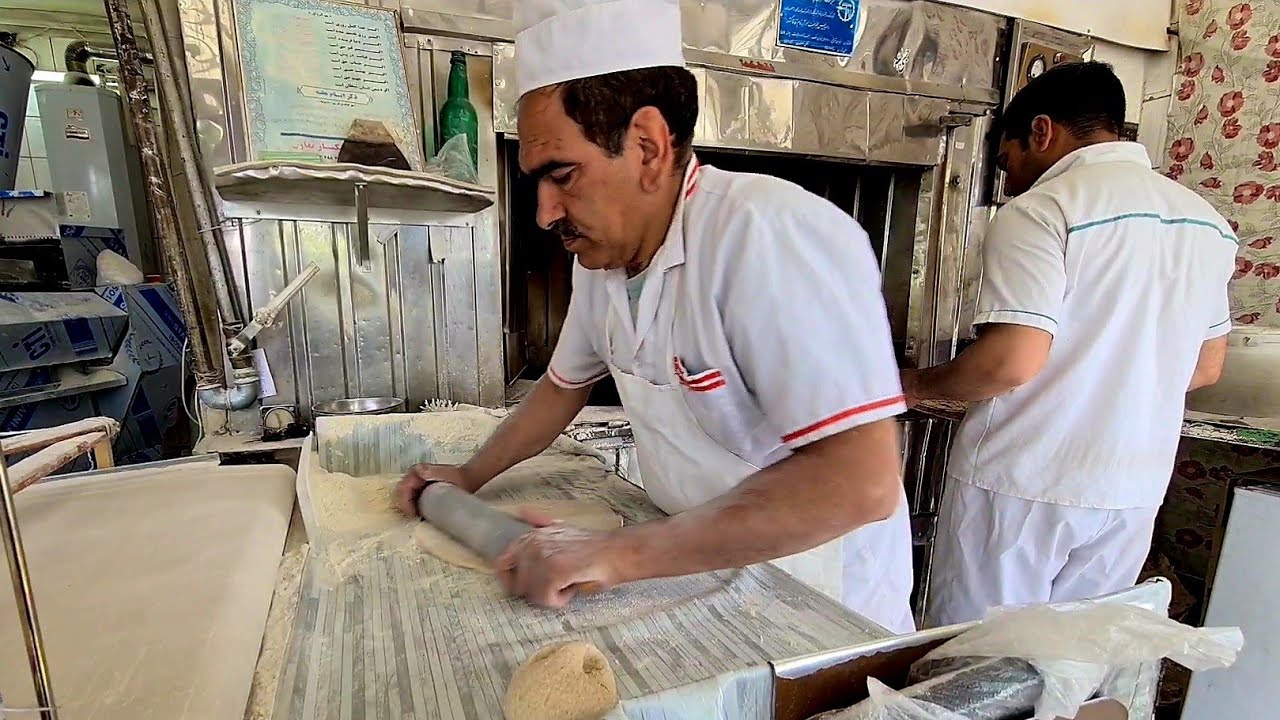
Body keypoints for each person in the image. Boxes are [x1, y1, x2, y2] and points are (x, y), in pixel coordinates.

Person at [395, 0, 917, 634]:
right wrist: (468, 476)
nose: (545, 212)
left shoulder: (767, 235)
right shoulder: (602, 263)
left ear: (647, 146)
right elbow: (559, 390)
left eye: (563, 174)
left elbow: (861, 482)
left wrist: (615, 554)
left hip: (814, 598)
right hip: (697, 571)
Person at [901, 62, 1235, 627]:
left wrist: (914, 386)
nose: (1010, 181)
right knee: (1073, 658)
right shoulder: (1206, 223)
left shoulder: (1044, 209)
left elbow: (1010, 362)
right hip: (1131, 491)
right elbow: (1205, 367)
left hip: (1021, 484)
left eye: (1007, 161)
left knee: (979, 657)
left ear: (1041, 131)